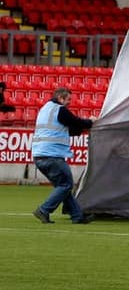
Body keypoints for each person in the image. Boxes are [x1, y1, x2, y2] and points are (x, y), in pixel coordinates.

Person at [31, 87, 94, 225]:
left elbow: (67, 129)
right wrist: (90, 122)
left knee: (62, 187)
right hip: (52, 155)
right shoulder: (59, 109)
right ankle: (44, 210)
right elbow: (75, 121)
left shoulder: (45, 109)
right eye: (68, 99)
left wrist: (82, 128)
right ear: (61, 98)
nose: (70, 103)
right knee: (66, 185)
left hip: (39, 155)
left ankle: (77, 216)